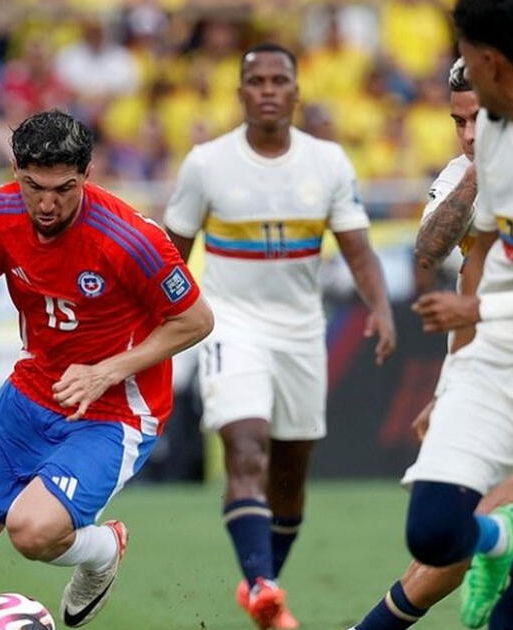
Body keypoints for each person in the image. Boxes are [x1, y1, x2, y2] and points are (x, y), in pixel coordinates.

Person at [0, 109, 213, 630]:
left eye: (63, 188)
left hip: (116, 409)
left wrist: (106, 371)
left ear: (86, 176)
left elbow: (195, 320)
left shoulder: (128, 238)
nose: (47, 203)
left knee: (30, 531)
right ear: (16, 175)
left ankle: (103, 551)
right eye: (34, 187)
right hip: (33, 390)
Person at [350, 57, 513, 630]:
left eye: (479, 119)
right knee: (473, 543)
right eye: (458, 121)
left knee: (489, 540)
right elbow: (433, 254)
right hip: (497, 374)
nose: (468, 135)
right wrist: (451, 389)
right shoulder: (463, 174)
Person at [163, 43, 396, 629]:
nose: (268, 89)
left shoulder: (329, 163)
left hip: (300, 332)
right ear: (240, 93)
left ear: (296, 91)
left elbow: (358, 249)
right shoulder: (206, 164)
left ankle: (260, 587)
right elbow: (169, 253)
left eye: (279, 80)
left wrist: (382, 309)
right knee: (245, 451)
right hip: (230, 324)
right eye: (256, 80)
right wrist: (156, 325)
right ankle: (264, 584)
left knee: (290, 475)